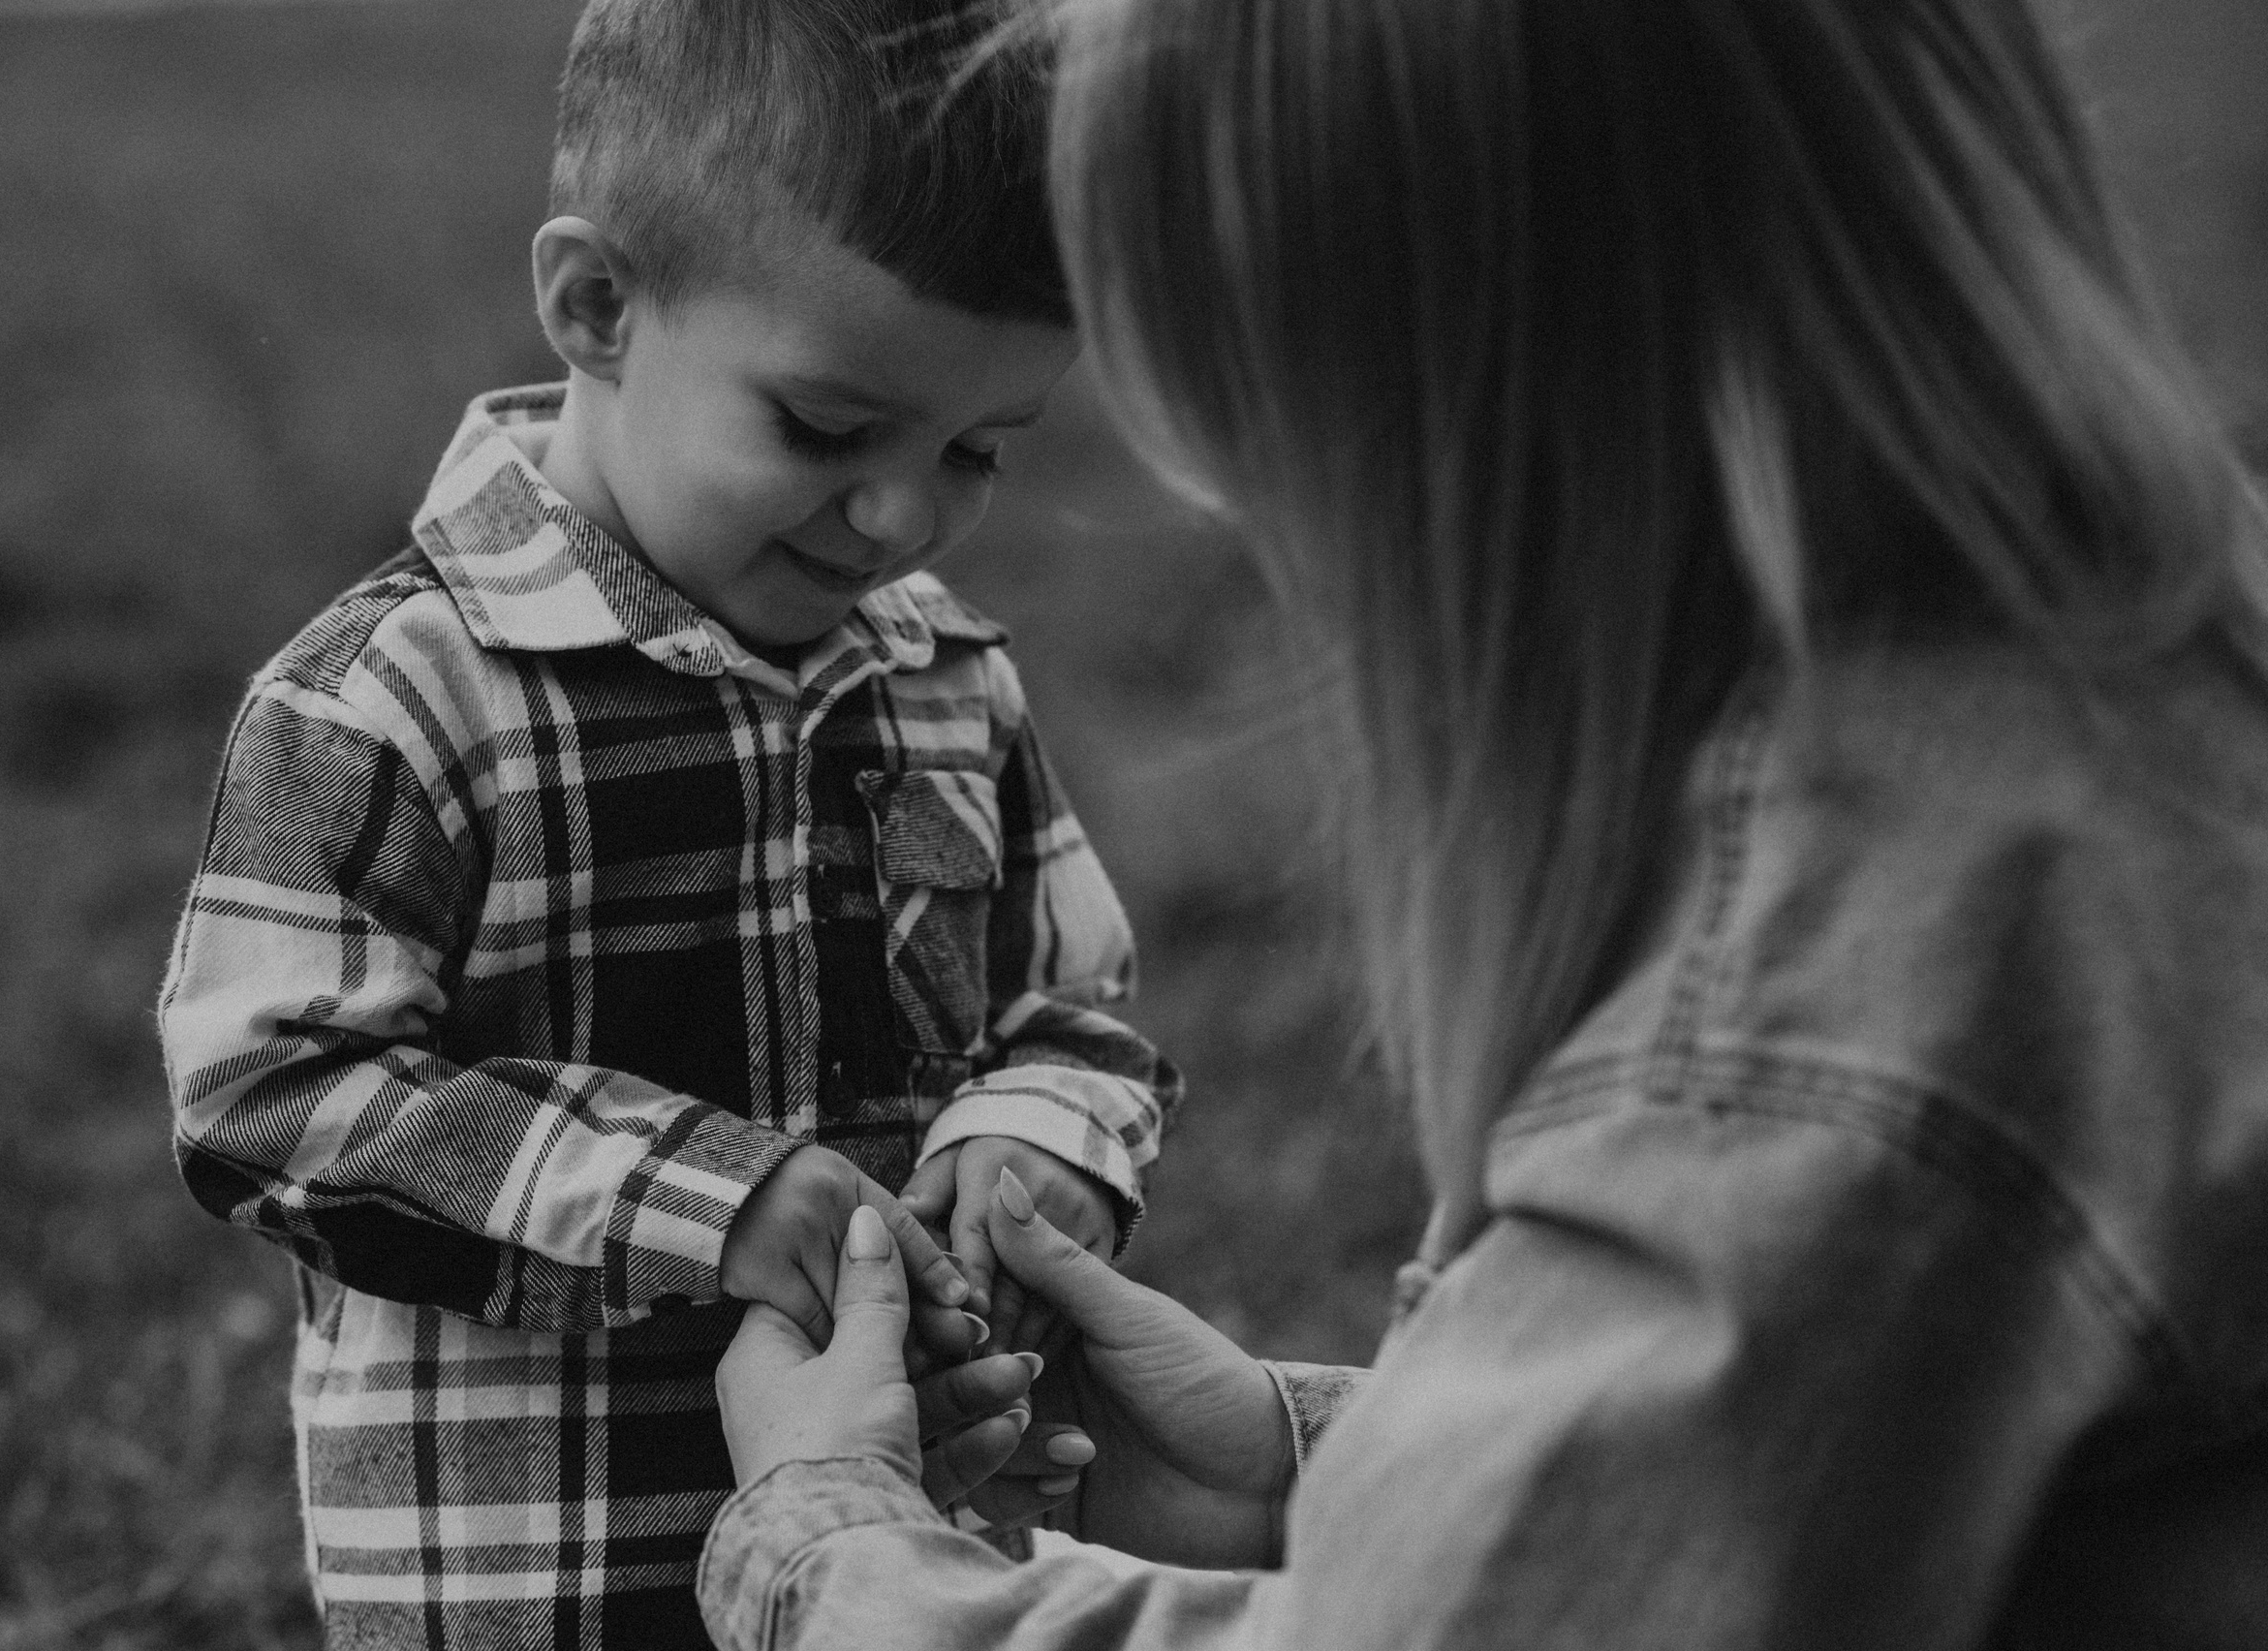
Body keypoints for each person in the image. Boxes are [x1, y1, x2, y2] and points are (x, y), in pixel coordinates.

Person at [692, 0, 2268, 1645]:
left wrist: (829, 1542)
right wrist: (1326, 1472)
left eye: (1273, 451)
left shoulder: (1827, 1013)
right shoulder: (2139, 710)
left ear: (1457, 426)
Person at [154, 3, 1179, 1644]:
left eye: (977, 448)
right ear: (598, 306)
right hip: (537, 1578)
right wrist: (712, 1201)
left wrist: (1038, 1140)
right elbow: (264, 1099)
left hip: (897, 1569)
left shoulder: (950, 684)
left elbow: (1074, 1007)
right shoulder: (391, 699)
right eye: (827, 430)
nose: (902, 515)